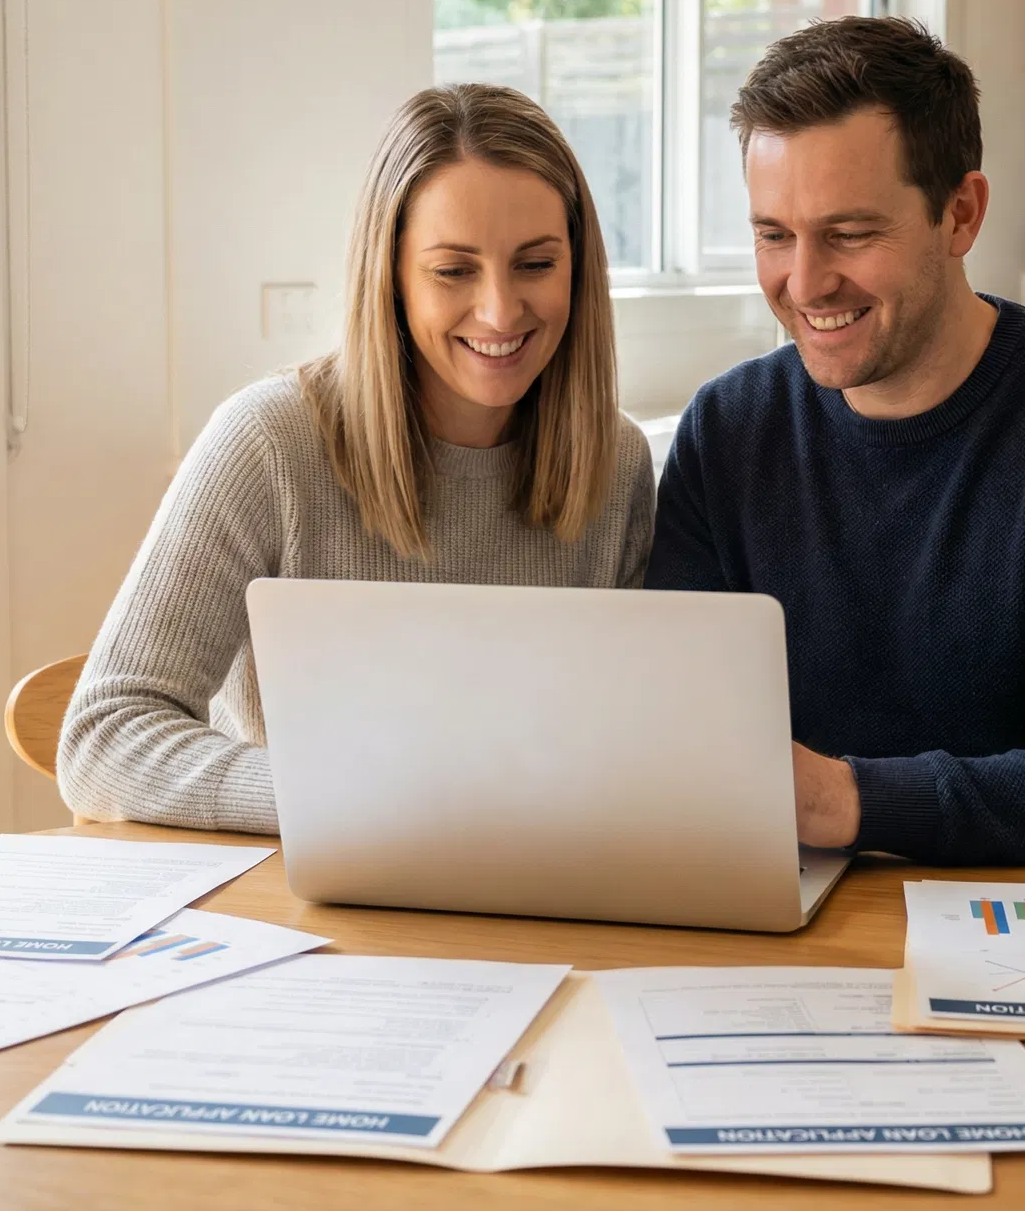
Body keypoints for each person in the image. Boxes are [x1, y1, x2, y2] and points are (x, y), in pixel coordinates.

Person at [646, 17, 1025, 874]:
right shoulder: (728, 431)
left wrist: (847, 801)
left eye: (849, 234)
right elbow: (674, 733)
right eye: (774, 234)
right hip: (815, 925)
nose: (804, 283)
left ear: (960, 215)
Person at [60, 84, 654, 830]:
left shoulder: (617, 462)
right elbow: (102, 738)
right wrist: (349, 797)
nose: (501, 310)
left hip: (538, 891)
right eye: (453, 270)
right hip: (310, 905)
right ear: (391, 276)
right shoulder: (268, 443)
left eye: (535, 264)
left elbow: (627, 740)